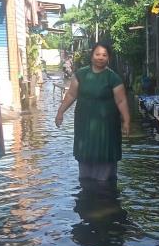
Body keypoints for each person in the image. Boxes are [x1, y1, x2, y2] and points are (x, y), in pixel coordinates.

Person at [55, 42, 130, 182]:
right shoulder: (81, 75)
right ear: (91, 56)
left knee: (105, 155)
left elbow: (121, 101)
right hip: (85, 125)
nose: (100, 57)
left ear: (108, 58)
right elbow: (71, 95)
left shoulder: (113, 78)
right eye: (97, 54)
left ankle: (104, 187)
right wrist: (60, 112)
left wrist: (126, 120)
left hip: (106, 127)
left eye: (104, 55)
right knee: (85, 152)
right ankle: (86, 185)